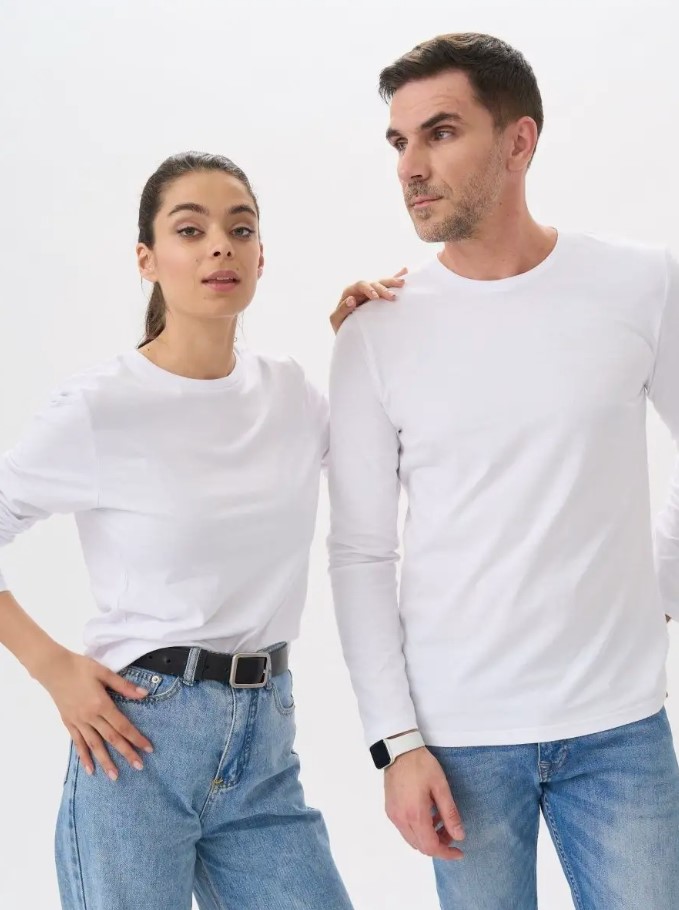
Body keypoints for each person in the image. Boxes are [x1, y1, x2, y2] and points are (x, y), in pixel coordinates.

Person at [328, 32, 679, 910]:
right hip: (457, 742)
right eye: (399, 141)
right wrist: (395, 742)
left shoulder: (641, 285)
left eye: (440, 132)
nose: (410, 166)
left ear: (519, 140)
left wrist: (658, 583)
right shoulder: (377, 330)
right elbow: (361, 552)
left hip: (619, 728)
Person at [0, 150, 403, 910]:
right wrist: (52, 667)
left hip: (265, 743)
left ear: (260, 255)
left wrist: (364, 346)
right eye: (191, 230)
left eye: (239, 229)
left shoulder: (290, 392)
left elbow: (385, 453)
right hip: (136, 744)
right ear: (147, 260)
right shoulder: (100, 407)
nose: (221, 245)